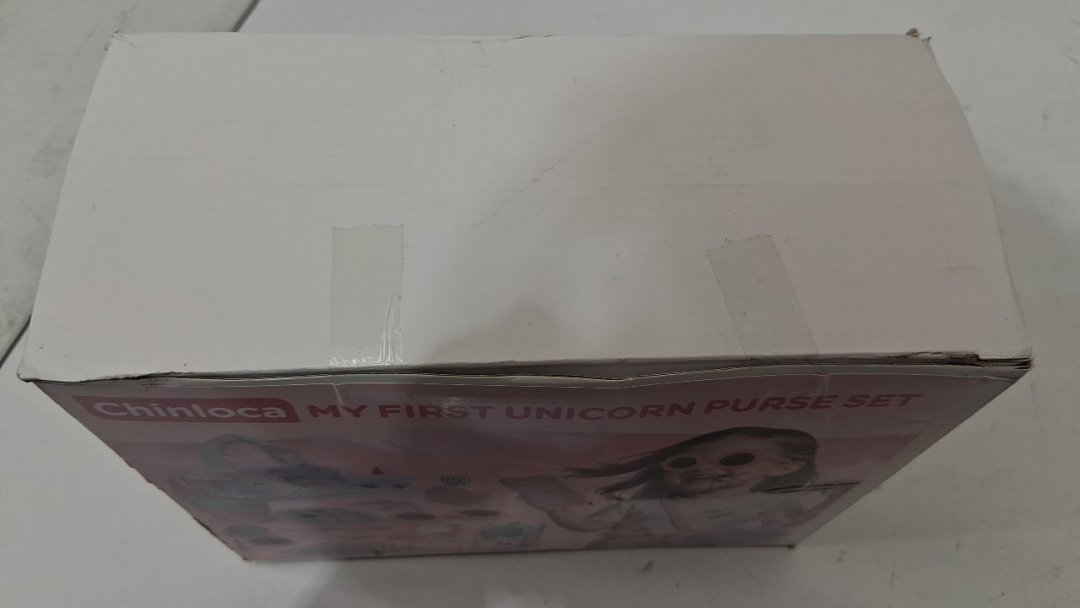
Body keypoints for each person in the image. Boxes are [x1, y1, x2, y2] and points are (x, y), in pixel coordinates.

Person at [513, 427, 846, 548]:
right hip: (609, 566)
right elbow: (586, 525)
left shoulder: (766, 504)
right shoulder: (642, 506)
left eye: (735, 459)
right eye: (685, 462)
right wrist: (555, 507)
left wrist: (832, 499)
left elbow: (788, 524)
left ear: (786, 467)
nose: (703, 469)